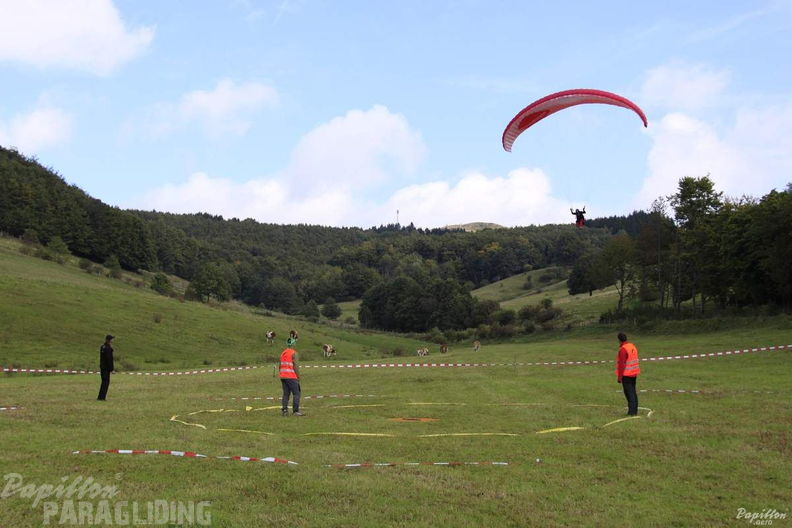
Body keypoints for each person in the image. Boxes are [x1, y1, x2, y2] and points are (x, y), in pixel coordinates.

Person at [616, 332, 640, 416]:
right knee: (633, 392)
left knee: (629, 393)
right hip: (634, 373)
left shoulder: (623, 349)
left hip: (627, 375)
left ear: (619, 340)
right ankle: (634, 410)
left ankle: (632, 412)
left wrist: (619, 377)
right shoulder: (632, 346)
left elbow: (622, 364)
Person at [279, 338, 303, 416]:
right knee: (296, 393)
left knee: (286, 394)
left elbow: (280, 366)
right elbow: (295, 366)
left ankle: (284, 410)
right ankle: (296, 411)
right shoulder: (294, 353)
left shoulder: (283, 353)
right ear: (293, 344)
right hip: (291, 376)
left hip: (283, 376)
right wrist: (298, 377)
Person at [97, 335, 115, 401]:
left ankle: (100, 396)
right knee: (106, 382)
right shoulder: (108, 348)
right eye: (112, 339)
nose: (113, 340)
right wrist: (112, 369)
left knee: (103, 382)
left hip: (102, 367)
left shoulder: (102, 347)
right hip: (106, 368)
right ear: (109, 340)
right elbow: (109, 359)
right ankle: (102, 398)